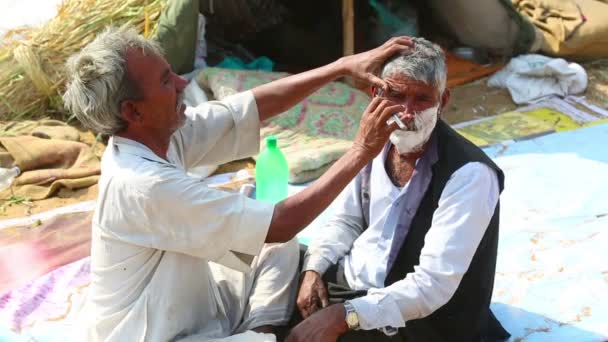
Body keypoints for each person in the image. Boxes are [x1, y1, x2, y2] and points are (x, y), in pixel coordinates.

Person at [61, 26, 413, 341]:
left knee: (278, 248)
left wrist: (340, 67)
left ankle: (259, 330)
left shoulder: (162, 133)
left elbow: (251, 107)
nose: (184, 84)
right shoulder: (144, 184)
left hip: (196, 303)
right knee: (275, 231)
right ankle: (260, 336)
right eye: (167, 81)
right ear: (132, 112)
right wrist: (361, 151)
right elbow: (279, 223)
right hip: (155, 333)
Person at [290, 38, 510, 342]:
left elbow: (431, 286)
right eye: (395, 95)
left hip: (418, 318)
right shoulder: (374, 143)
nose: (406, 114)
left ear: (442, 102)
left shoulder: (470, 175)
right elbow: (346, 221)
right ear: (375, 93)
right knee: (271, 258)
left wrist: (345, 315)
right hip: (352, 289)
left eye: (422, 99)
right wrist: (314, 269)